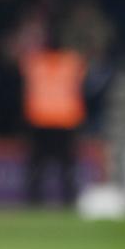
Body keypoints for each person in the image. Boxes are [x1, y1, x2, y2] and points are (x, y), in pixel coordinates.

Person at [20, 31, 88, 206]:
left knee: (37, 168)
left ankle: (34, 203)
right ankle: (69, 201)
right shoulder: (72, 62)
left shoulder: (34, 62)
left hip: (40, 120)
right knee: (66, 168)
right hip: (65, 121)